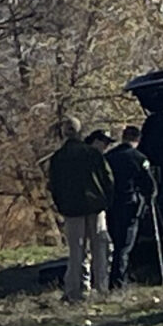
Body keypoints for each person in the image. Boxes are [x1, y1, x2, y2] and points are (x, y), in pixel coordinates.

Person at [45, 117, 113, 302]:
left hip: (71, 209)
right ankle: (102, 288)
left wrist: (61, 205)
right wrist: (107, 200)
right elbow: (107, 178)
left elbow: (54, 185)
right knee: (100, 247)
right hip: (95, 206)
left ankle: (76, 290)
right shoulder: (92, 153)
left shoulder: (58, 157)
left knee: (77, 251)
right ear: (80, 131)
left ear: (64, 133)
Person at [104, 124, 157, 289]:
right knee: (125, 245)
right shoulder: (139, 158)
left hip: (111, 205)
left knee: (115, 241)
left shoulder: (109, 157)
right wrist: (150, 197)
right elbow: (149, 184)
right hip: (130, 206)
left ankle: (116, 277)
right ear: (138, 140)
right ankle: (118, 281)